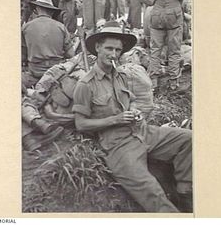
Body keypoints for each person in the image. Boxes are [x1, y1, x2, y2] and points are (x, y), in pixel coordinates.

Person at [72, 21, 193, 212]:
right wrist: (115, 120)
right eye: (109, 48)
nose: (113, 54)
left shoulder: (121, 75)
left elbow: (133, 100)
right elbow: (81, 124)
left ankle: (186, 195)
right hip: (118, 145)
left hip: (143, 132)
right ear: (97, 48)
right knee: (152, 192)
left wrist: (135, 110)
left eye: (118, 50)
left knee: (188, 139)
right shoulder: (85, 85)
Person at [135, 0, 191, 90]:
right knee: (174, 49)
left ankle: (153, 83)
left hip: (157, 7)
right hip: (174, 5)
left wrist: (148, 1)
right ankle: (173, 83)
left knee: (155, 49)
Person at [22, 0, 74, 88]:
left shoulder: (26, 27)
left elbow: (22, 56)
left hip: (35, 73)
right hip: (56, 74)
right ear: (52, 11)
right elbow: (70, 54)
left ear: (37, 8)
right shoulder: (61, 27)